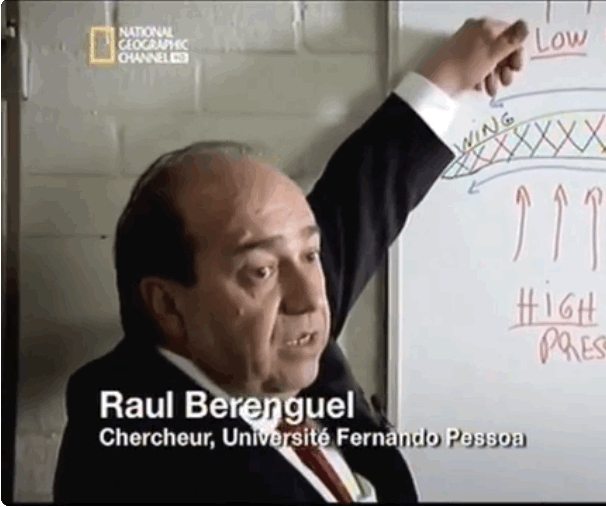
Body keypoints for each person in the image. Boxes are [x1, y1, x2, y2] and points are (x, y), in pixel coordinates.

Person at [52, 17, 529, 504]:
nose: (311, 297)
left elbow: (355, 204)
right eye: (261, 271)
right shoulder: (141, 469)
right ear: (169, 306)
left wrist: (445, 79)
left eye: (310, 253)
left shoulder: (253, 339)